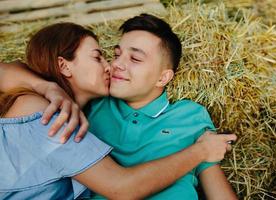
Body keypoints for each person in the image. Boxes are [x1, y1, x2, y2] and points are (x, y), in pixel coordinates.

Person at [0, 17, 237, 200]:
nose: (114, 65)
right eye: (110, 55)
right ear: (64, 65)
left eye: (135, 59)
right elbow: (121, 187)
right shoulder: (68, 111)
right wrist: (48, 87)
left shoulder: (190, 115)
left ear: (164, 77)